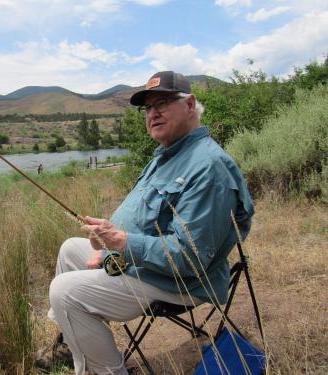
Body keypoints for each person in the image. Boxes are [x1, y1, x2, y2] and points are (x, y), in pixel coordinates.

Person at [36, 71, 254, 375]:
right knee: (70, 249)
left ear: (190, 104)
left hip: (177, 282)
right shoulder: (166, 155)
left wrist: (123, 243)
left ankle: (108, 371)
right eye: (148, 108)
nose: (153, 113)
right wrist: (108, 235)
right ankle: (71, 343)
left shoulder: (209, 168)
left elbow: (190, 259)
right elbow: (145, 217)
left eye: (162, 103)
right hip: (144, 263)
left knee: (64, 290)